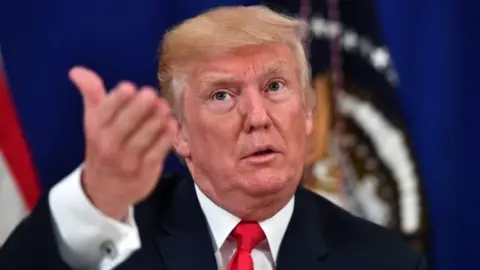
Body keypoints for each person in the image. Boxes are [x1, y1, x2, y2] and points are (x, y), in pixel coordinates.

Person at [0, 5, 428, 270]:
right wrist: (95, 197)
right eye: (222, 95)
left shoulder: (384, 261)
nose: (257, 117)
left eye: (275, 87)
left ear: (308, 115)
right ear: (179, 132)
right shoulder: (115, 241)